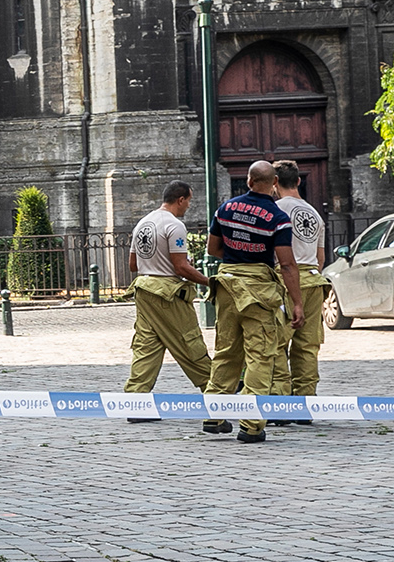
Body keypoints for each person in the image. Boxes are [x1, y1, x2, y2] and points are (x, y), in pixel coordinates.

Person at [201, 159, 304, 443]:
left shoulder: (226, 209)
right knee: (261, 356)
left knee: (225, 351)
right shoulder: (277, 218)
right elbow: (286, 264)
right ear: (273, 184)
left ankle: (214, 415)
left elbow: (213, 249)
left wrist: (238, 260)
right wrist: (296, 303)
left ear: (248, 181)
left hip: (226, 286)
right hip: (259, 293)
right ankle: (251, 424)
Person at [122, 181, 213, 405]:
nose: (188, 206)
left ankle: (136, 401)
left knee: (147, 346)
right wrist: (209, 282)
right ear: (180, 199)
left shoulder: (143, 223)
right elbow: (181, 267)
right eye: (189, 201)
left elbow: (133, 264)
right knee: (188, 342)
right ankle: (215, 392)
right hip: (168, 294)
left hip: (144, 291)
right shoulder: (174, 226)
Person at [269, 159, 328, 421]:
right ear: (299, 181)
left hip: (286, 280)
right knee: (307, 345)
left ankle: (281, 405)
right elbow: (321, 257)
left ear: (274, 184)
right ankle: (305, 404)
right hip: (314, 282)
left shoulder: (275, 210)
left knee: (276, 343)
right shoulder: (314, 213)